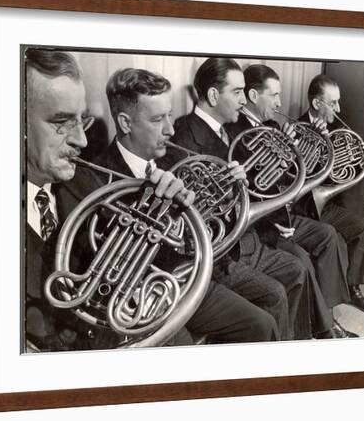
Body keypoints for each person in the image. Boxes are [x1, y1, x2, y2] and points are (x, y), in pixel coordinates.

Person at [24, 49, 278, 351]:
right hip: (119, 317)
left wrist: (185, 210)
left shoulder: (162, 164)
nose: (81, 140)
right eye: (62, 122)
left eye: (83, 122)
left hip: (170, 283)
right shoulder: (91, 184)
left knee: (263, 319)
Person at [94, 66, 280, 344]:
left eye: (169, 116)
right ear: (125, 123)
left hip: (187, 278)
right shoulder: (98, 177)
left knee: (261, 324)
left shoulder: (166, 160)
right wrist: (156, 211)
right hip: (144, 297)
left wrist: (228, 191)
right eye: (158, 119)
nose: (170, 129)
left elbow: (195, 235)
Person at [158, 58, 326, 340]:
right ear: (213, 95)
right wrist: (229, 186)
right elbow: (195, 214)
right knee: (275, 292)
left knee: (296, 270)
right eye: (236, 92)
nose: (242, 100)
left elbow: (261, 182)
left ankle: (295, 343)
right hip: (222, 253)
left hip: (246, 238)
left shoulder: (230, 130)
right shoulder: (185, 137)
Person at [229, 63, 360, 337]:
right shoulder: (236, 132)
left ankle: (329, 314)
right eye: (274, 95)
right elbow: (254, 188)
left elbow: (288, 177)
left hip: (284, 216)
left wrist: (296, 151)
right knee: (301, 261)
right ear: (254, 97)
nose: (280, 102)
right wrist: (277, 220)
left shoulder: (273, 125)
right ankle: (319, 329)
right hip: (267, 224)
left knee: (327, 235)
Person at [297, 74, 364, 314]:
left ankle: (353, 288)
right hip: (303, 207)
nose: (339, 108)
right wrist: (312, 142)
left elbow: (342, 175)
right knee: (334, 238)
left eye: (338, 102)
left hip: (325, 205)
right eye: (333, 103)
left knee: (363, 228)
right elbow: (294, 177)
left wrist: (362, 156)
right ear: (317, 103)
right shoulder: (296, 129)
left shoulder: (338, 129)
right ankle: (326, 313)